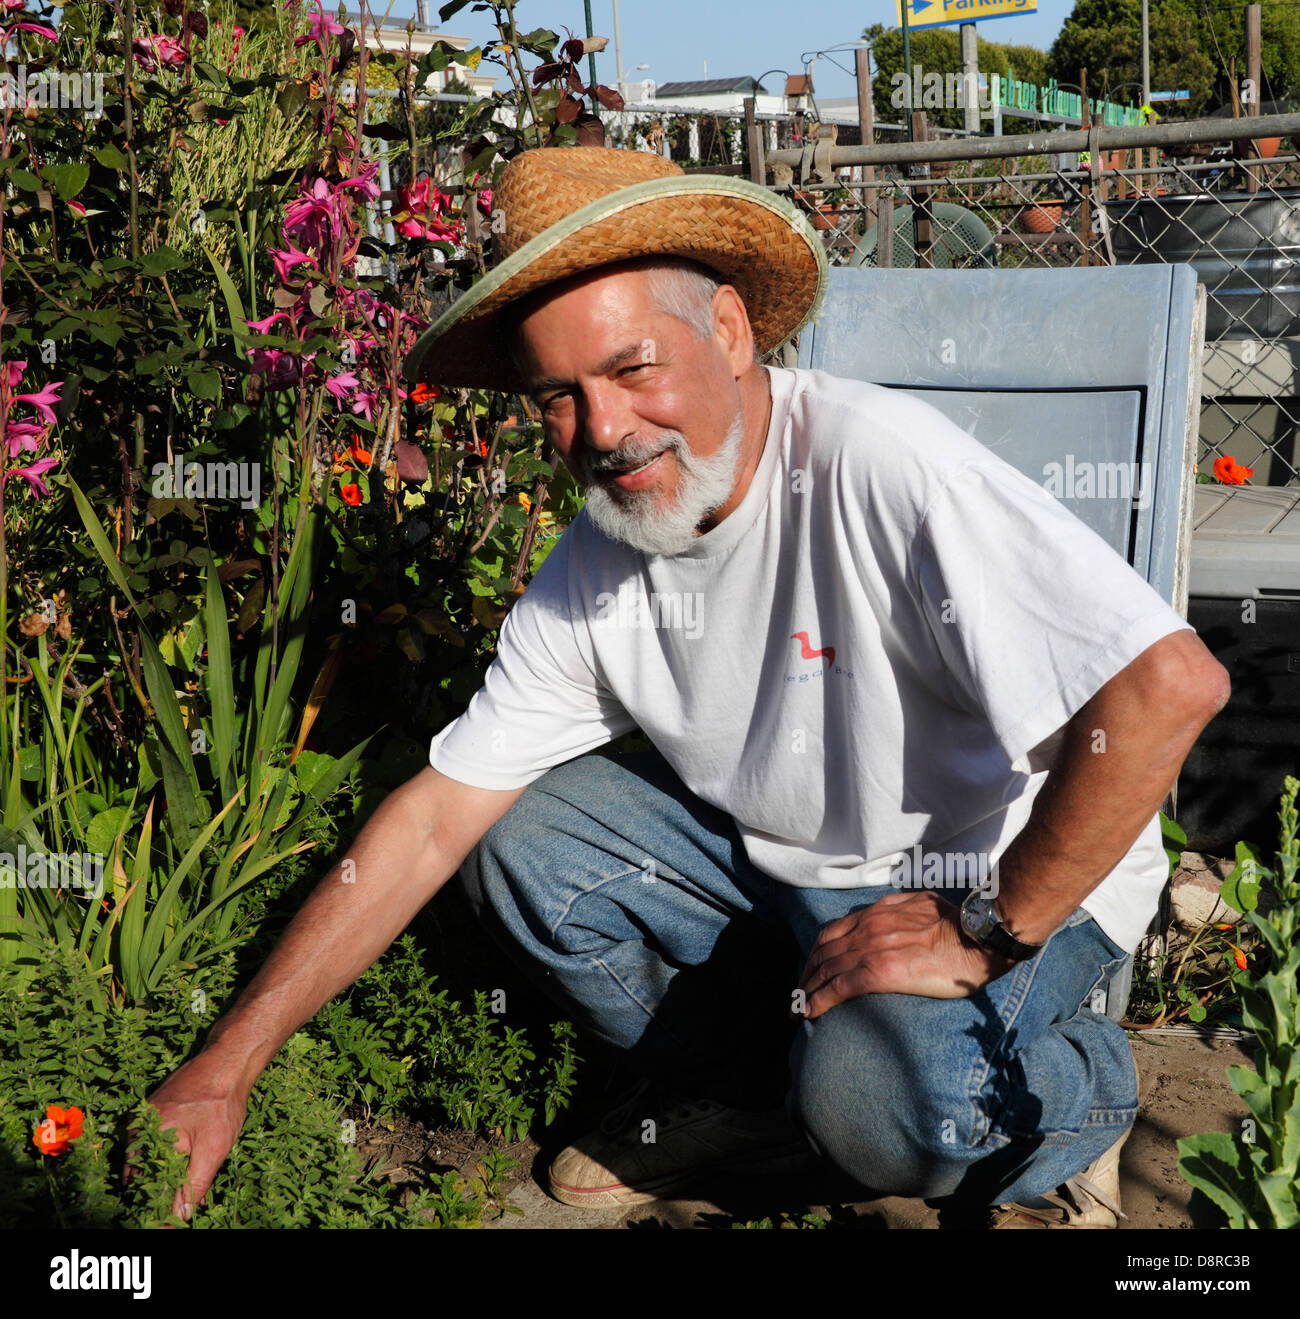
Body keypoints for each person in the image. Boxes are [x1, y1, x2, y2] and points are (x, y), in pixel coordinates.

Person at [146, 146, 1229, 1229]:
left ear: (726, 329)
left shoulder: (883, 467)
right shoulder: (601, 559)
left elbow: (1168, 686)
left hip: (1001, 879)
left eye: (631, 368)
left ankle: (1080, 1082)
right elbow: (433, 821)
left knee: (896, 1107)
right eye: (556, 398)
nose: (604, 431)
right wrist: (225, 1062)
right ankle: (762, 1095)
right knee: (516, 836)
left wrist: (988, 925)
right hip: (798, 884)